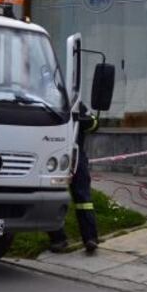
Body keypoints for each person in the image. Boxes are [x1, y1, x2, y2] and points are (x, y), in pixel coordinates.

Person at [49, 106, 100, 254]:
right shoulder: (49, 102)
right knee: (53, 196)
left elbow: (95, 124)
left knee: (84, 199)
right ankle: (57, 239)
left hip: (76, 156)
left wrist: (85, 120)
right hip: (55, 157)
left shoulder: (76, 105)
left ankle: (90, 238)